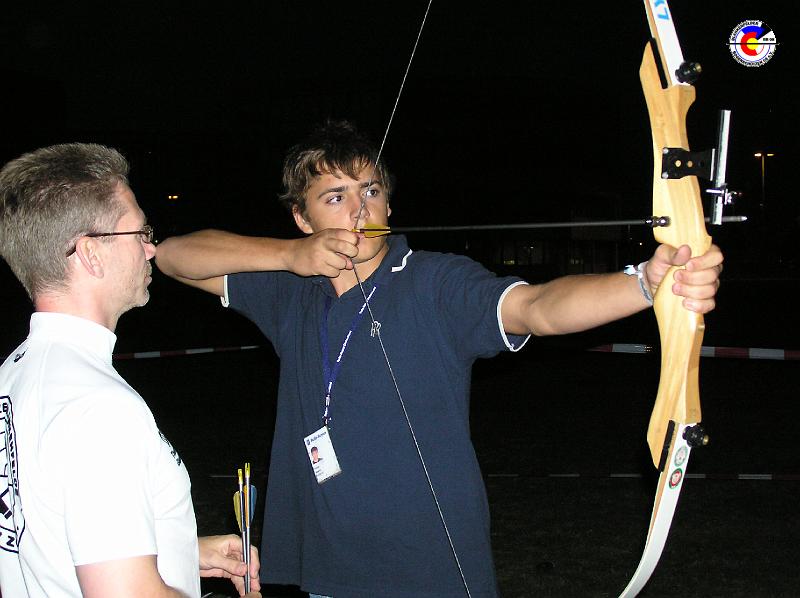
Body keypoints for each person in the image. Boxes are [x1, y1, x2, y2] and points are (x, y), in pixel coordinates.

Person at [155, 120, 724, 598]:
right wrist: (289, 257)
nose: (359, 209)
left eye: (371, 190)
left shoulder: (433, 283)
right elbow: (173, 257)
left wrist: (645, 286)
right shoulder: (288, 290)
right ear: (302, 219)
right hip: (319, 570)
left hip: (425, 572)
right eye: (335, 197)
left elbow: (537, 308)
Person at [0, 143, 261, 598]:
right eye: (139, 233)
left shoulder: (15, 372)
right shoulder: (100, 410)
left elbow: (44, 535)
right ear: (90, 254)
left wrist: (182, 551)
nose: (151, 248)